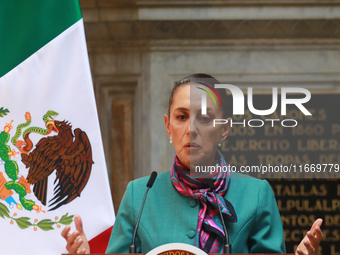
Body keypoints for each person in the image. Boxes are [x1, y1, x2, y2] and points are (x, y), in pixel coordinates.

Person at [62, 73, 323, 254]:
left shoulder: (256, 194)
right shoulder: (140, 196)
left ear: (224, 129)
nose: (191, 129)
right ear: (168, 126)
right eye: (182, 116)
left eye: (205, 118)